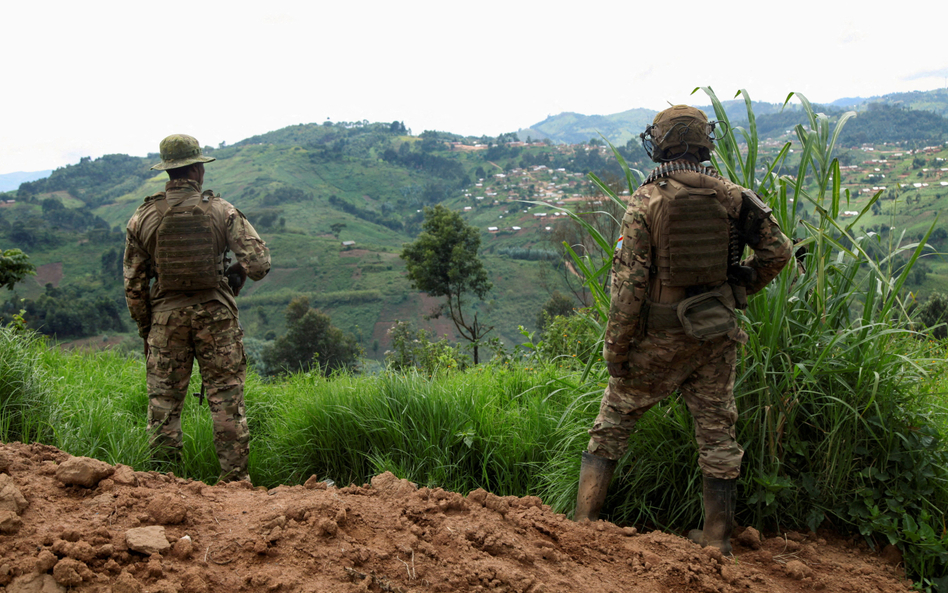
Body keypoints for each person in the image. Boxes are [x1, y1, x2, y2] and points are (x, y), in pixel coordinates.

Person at [574, 105, 792, 555]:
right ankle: (717, 541)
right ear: (704, 142)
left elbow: (629, 287)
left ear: (660, 144)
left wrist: (616, 350)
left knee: (613, 422)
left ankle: (583, 525)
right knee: (717, 433)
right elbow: (778, 252)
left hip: (658, 337)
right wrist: (742, 282)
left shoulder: (646, 200)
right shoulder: (732, 196)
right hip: (715, 334)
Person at [123, 134, 270, 483]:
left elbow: (134, 285)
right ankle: (235, 484)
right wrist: (236, 272)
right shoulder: (222, 211)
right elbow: (260, 263)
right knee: (227, 402)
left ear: (168, 172)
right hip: (216, 319)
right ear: (197, 170)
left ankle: (164, 486)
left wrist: (148, 331)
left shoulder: (141, 217)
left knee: (163, 408)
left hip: (165, 322)